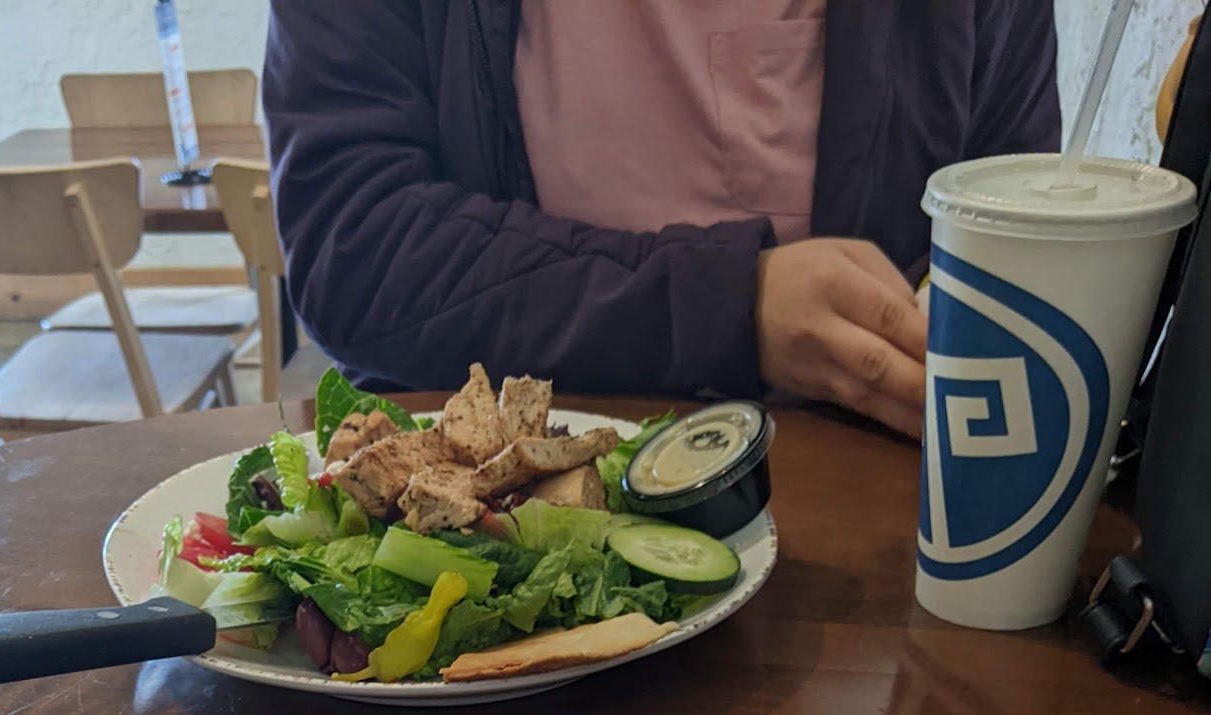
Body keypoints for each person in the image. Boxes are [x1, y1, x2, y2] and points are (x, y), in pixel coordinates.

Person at [263, 1, 1060, 439]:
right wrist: (732, 306)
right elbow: (353, 246)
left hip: (872, 523)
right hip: (484, 513)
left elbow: (1016, 251)